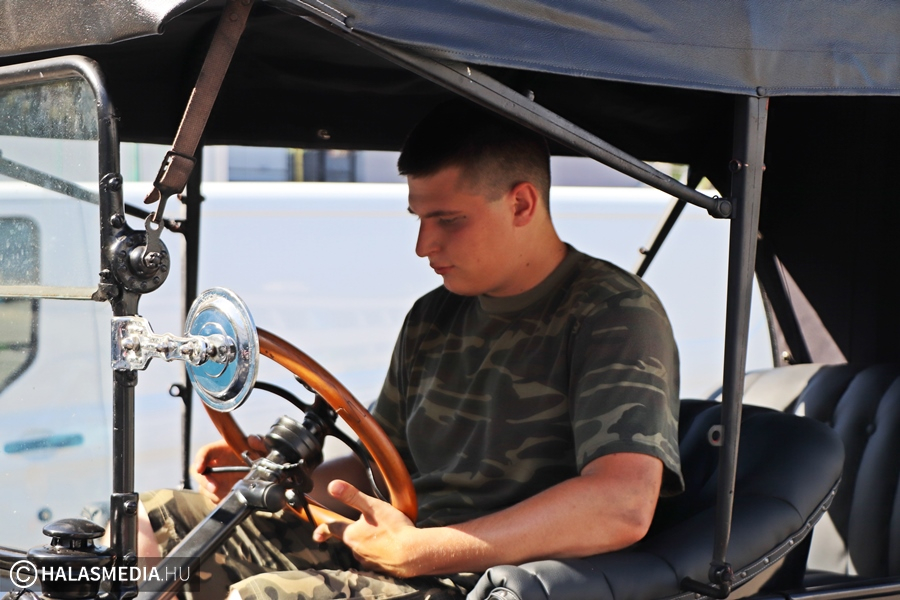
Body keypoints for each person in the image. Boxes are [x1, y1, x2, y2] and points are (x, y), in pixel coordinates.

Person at [139, 99, 683, 600]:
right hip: (397, 548)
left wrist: (425, 550)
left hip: (483, 580)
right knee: (148, 523)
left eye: (449, 220)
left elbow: (622, 504)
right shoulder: (433, 314)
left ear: (521, 204)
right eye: (420, 219)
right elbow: (382, 466)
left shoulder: (612, 313)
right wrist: (274, 481)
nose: (424, 246)